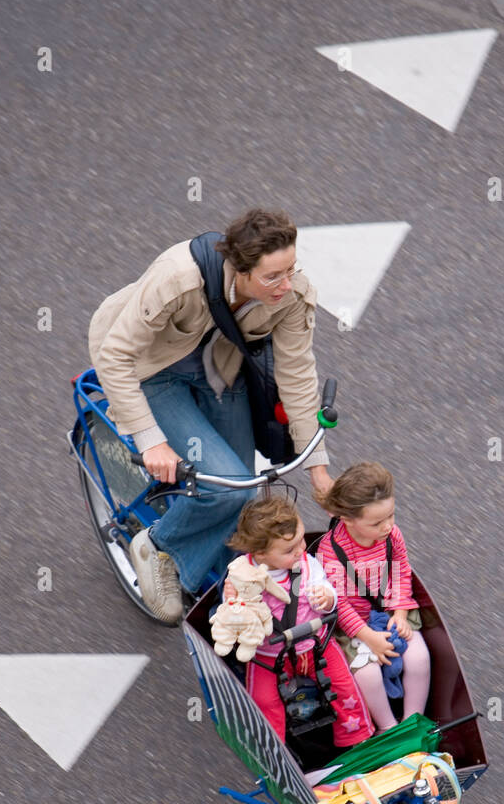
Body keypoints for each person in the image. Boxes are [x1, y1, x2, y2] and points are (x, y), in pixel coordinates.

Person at [87, 208, 334, 623]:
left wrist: (318, 469)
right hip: (152, 371)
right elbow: (116, 357)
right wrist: (152, 441)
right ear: (239, 269)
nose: (285, 285)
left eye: (291, 269)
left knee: (242, 493)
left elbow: (297, 376)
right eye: (272, 276)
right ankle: (157, 547)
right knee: (230, 489)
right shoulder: (177, 278)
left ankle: (229, 595)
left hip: (220, 369)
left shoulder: (292, 294)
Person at [224, 497, 374, 747]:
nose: (300, 550)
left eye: (301, 540)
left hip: (316, 645)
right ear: (260, 553)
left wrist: (327, 598)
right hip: (268, 655)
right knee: (264, 702)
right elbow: (233, 617)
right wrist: (233, 603)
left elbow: (325, 587)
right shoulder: (243, 576)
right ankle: (273, 752)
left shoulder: (306, 564)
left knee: (344, 687)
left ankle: (357, 738)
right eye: (288, 549)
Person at [314, 463, 431, 732]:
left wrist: (400, 614)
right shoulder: (331, 550)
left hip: (390, 611)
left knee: (419, 658)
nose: (388, 526)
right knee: (367, 673)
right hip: (354, 625)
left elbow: (401, 574)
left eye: (391, 515)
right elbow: (339, 603)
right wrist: (368, 637)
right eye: (377, 522)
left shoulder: (392, 536)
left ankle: (413, 723)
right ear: (348, 520)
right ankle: (387, 728)